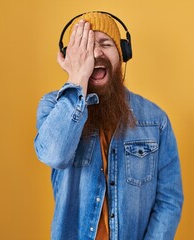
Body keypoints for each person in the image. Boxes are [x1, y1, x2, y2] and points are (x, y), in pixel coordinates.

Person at [34, 11, 184, 240]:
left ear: (123, 54)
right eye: (85, 46)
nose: (95, 53)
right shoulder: (52, 108)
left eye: (106, 44)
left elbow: (169, 201)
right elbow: (55, 155)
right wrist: (76, 80)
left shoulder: (156, 120)